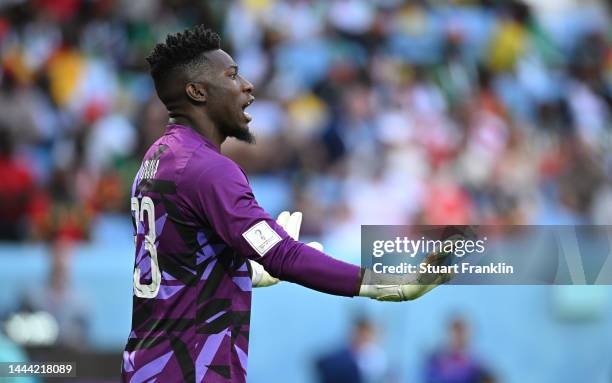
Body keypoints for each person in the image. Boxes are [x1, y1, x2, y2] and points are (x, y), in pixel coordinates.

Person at [122, 25, 451, 383]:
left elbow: (180, 262)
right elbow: (284, 255)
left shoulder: (157, 158)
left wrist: (244, 272)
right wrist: (389, 284)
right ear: (197, 91)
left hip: (148, 367)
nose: (247, 85)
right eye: (232, 76)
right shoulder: (209, 170)